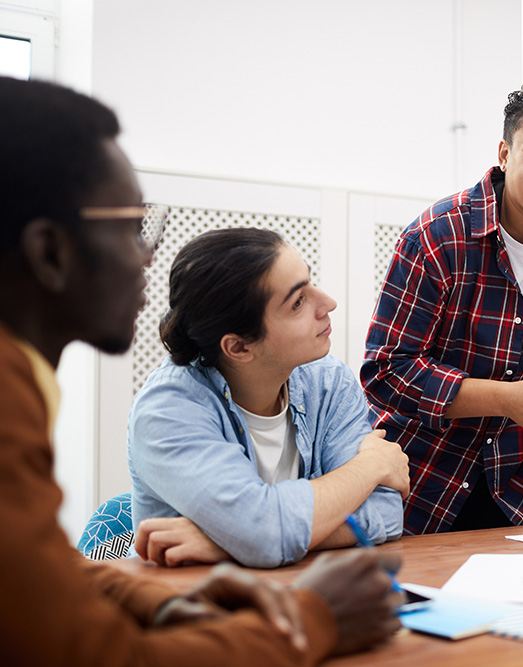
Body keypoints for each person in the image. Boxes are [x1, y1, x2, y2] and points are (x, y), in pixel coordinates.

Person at [0, 75, 401, 665]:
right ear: (51, 253)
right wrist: (314, 615)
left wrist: (163, 596)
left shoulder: (24, 380)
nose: (149, 256)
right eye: (132, 228)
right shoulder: (25, 397)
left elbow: (43, 571)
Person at [362, 78, 523, 535]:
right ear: (505, 155)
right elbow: (387, 373)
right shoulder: (438, 236)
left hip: (516, 483)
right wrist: (508, 400)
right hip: (417, 476)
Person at [128, 228, 408, 568]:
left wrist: (232, 543)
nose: (328, 303)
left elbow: (386, 512)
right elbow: (260, 531)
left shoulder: (328, 382)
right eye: (298, 302)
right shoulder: (167, 411)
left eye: (310, 283)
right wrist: (370, 466)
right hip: (198, 608)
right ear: (239, 347)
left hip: (305, 598)